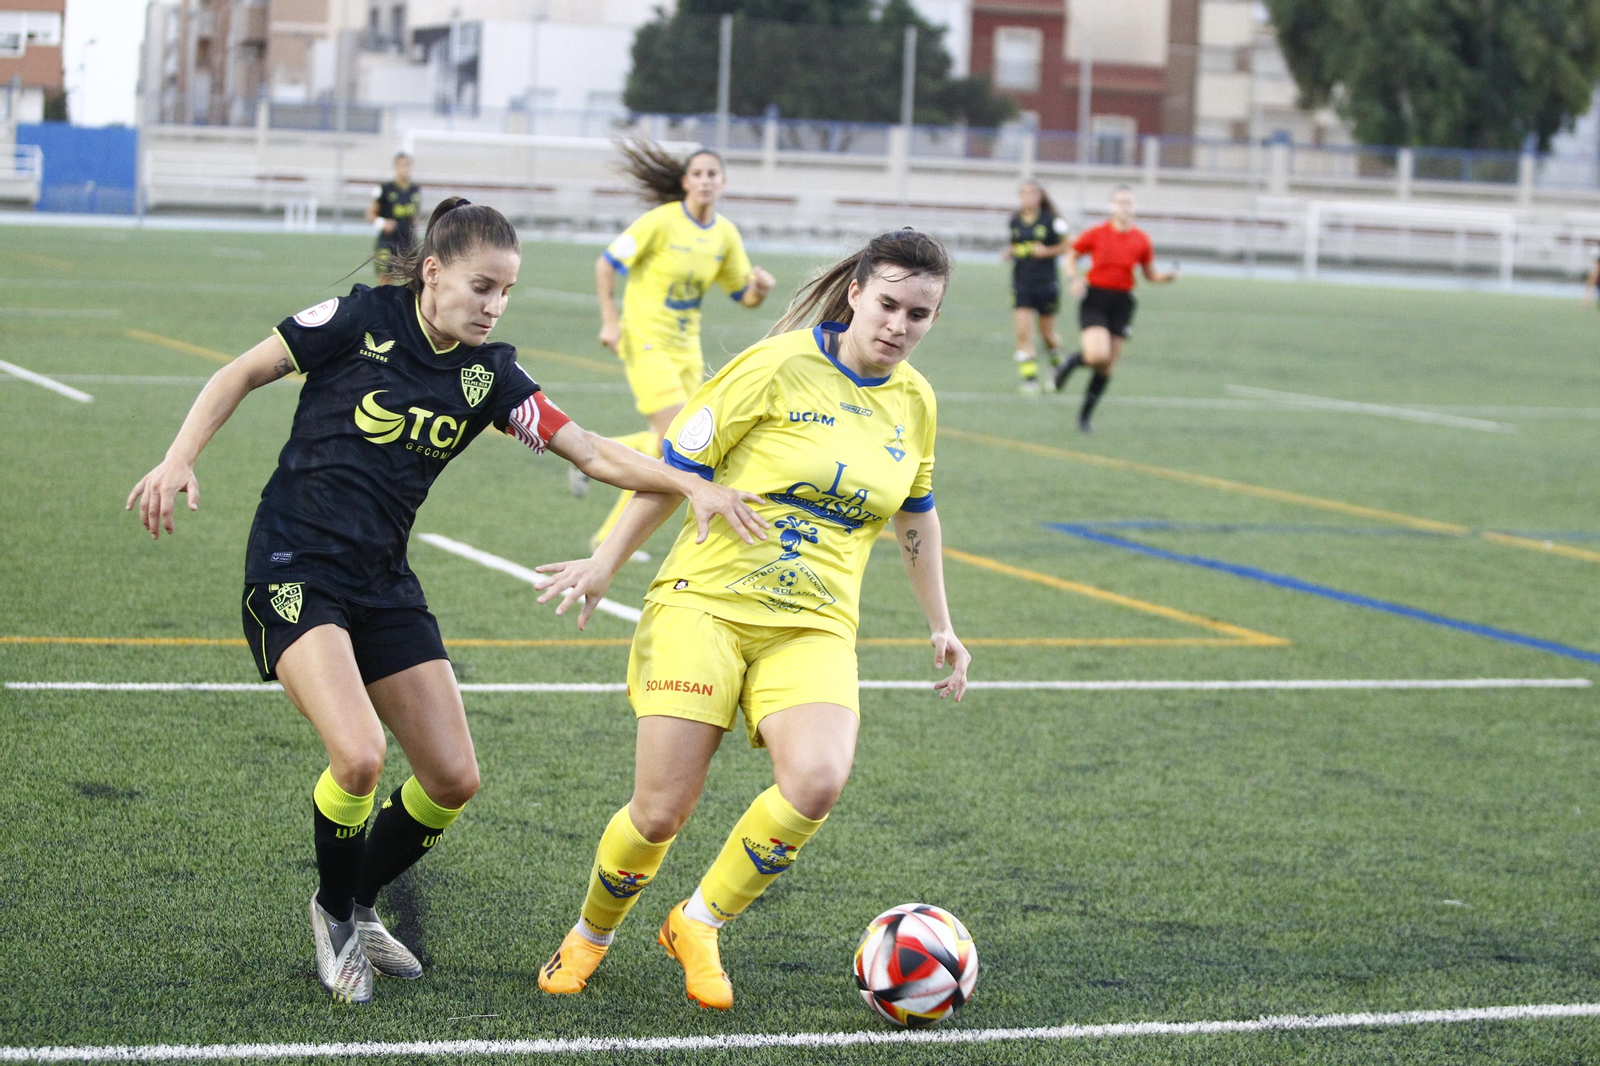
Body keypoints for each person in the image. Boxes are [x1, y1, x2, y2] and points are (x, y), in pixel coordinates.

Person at [125, 198, 767, 1006]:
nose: (493, 305)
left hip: (383, 580)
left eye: (506, 292)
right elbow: (241, 371)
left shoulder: (490, 374)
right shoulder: (359, 321)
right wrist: (178, 457)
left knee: (453, 777)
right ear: (433, 273)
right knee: (358, 754)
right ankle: (331, 914)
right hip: (295, 564)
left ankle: (358, 900)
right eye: (480, 286)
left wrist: (690, 483)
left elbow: (591, 449)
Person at [530, 228, 972, 1010]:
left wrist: (941, 622)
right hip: (707, 603)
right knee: (661, 810)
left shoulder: (916, 402)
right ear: (856, 293)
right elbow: (674, 473)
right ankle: (591, 934)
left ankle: (697, 923)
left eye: (920, 313)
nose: (900, 325)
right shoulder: (776, 365)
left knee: (817, 780)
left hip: (815, 623)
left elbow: (917, 514)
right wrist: (605, 563)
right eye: (890, 304)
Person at [575, 140, 777, 551]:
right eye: (698, 174)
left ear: (722, 183)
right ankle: (608, 540)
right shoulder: (661, 222)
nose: (705, 181)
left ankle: (587, 450)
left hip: (687, 350)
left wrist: (761, 288)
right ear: (686, 182)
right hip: (646, 340)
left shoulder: (724, 235)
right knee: (671, 441)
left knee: (677, 444)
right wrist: (611, 322)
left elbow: (744, 297)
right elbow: (607, 263)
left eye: (712, 174)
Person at [1051, 185, 1177, 431]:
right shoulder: (1097, 233)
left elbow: (1150, 275)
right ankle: (1070, 363)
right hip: (1096, 298)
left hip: (1123, 302)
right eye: (1119, 202)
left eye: (1128, 202)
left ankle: (1084, 418)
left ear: (1134, 207)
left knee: (1107, 365)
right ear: (1112, 207)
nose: (1124, 207)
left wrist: (1167, 277)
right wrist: (1073, 278)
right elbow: (1071, 256)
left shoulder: (1142, 239)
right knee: (1097, 355)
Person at [1002, 180, 1070, 393]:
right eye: (1024, 193)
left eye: (1033, 193)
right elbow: (1016, 245)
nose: (1028, 197)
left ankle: (1058, 363)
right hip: (1021, 283)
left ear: (1040, 196)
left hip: (1046, 283)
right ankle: (1029, 379)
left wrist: (1047, 252)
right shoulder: (1014, 221)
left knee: (1046, 333)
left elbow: (1068, 245)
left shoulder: (1052, 221)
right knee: (1023, 332)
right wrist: (1011, 252)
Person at [365, 152, 421, 284]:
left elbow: (413, 214)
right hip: (388, 240)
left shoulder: (415, 190)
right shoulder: (385, 189)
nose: (405, 168)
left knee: (413, 279)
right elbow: (370, 214)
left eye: (408, 165)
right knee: (385, 279)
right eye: (402, 165)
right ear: (396, 167)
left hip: (408, 240)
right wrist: (382, 223)